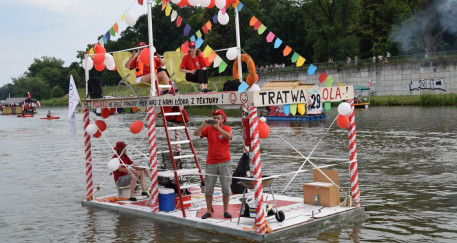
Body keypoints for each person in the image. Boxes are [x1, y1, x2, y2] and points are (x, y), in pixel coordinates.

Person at [194, 109, 233, 219]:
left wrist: (218, 128)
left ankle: (226, 210)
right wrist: (203, 125)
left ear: (223, 119)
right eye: (214, 118)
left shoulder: (227, 128)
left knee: (225, 187)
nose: (216, 120)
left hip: (224, 162)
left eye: (218, 118)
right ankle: (208, 211)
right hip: (211, 162)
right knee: (209, 188)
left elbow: (229, 137)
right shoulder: (208, 129)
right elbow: (196, 134)